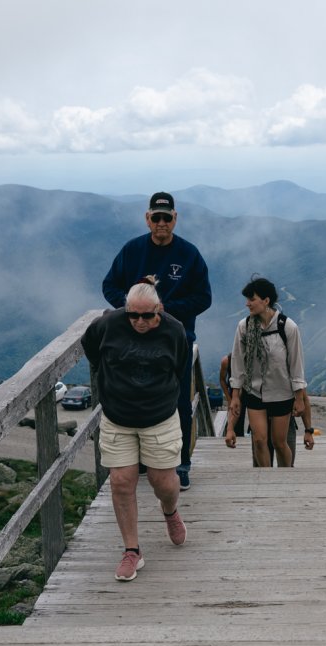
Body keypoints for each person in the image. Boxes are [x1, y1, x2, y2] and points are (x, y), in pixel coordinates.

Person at [79, 279, 190, 581]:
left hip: (160, 415)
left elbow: (181, 367)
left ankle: (169, 511)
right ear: (125, 310)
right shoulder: (107, 326)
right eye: (133, 315)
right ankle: (132, 551)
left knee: (163, 482)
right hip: (118, 416)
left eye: (147, 316)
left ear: (159, 309)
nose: (140, 322)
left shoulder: (174, 330)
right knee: (121, 481)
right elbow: (91, 350)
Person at [102, 191, 212, 490]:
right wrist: (130, 307)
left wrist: (167, 311)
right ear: (147, 219)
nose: (161, 223)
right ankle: (140, 461)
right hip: (134, 339)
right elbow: (109, 285)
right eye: (156, 217)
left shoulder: (189, 254)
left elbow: (204, 298)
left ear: (175, 219)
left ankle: (180, 464)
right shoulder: (132, 250)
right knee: (135, 395)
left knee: (178, 401)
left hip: (176, 339)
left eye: (167, 217)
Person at [223, 277, 313, 467]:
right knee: (259, 440)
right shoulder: (244, 326)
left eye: (252, 299)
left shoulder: (287, 327)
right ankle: (265, 479)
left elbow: (296, 365)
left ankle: (285, 476)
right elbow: (238, 363)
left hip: (282, 393)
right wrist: (236, 396)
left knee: (279, 443)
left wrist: (299, 398)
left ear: (266, 300)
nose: (247, 304)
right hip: (255, 391)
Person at [222, 353, 314, 467]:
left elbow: (303, 398)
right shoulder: (253, 375)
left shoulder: (285, 371)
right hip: (261, 424)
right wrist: (230, 429)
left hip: (284, 424)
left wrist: (309, 431)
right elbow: (236, 403)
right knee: (263, 467)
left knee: (285, 465)